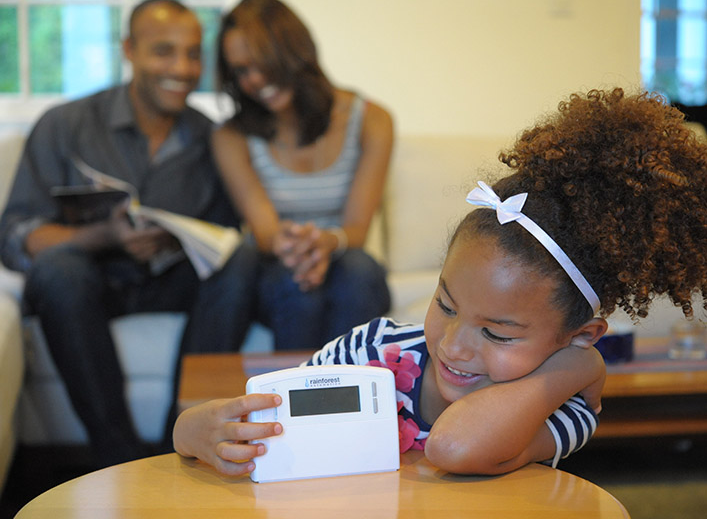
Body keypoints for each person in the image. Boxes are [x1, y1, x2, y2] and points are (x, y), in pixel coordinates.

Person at [172, 88, 707, 477]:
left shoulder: (559, 405)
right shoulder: (370, 350)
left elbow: (456, 447)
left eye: (498, 334)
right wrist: (195, 430)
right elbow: (260, 420)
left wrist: (575, 365)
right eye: (445, 305)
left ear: (581, 335)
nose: (453, 345)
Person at [0, 0, 258, 468]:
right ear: (129, 50)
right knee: (58, 268)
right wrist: (104, 237)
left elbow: (225, 233)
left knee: (238, 260)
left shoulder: (213, 138)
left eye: (194, 53)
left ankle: (179, 442)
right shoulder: (65, 125)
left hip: (172, 281)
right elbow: (17, 235)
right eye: (164, 51)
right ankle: (113, 453)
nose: (182, 68)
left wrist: (184, 237)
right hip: (90, 284)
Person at [211, 0, 393, 350]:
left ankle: (352, 397)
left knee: (360, 272)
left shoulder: (372, 120)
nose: (256, 79)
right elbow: (265, 233)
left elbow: (357, 227)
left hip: (344, 253)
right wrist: (297, 248)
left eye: (265, 62)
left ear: (297, 51)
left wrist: (327, 243)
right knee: (294, 284)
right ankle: (296, 400)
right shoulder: (231, 136)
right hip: (278, 263)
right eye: (241, 70)